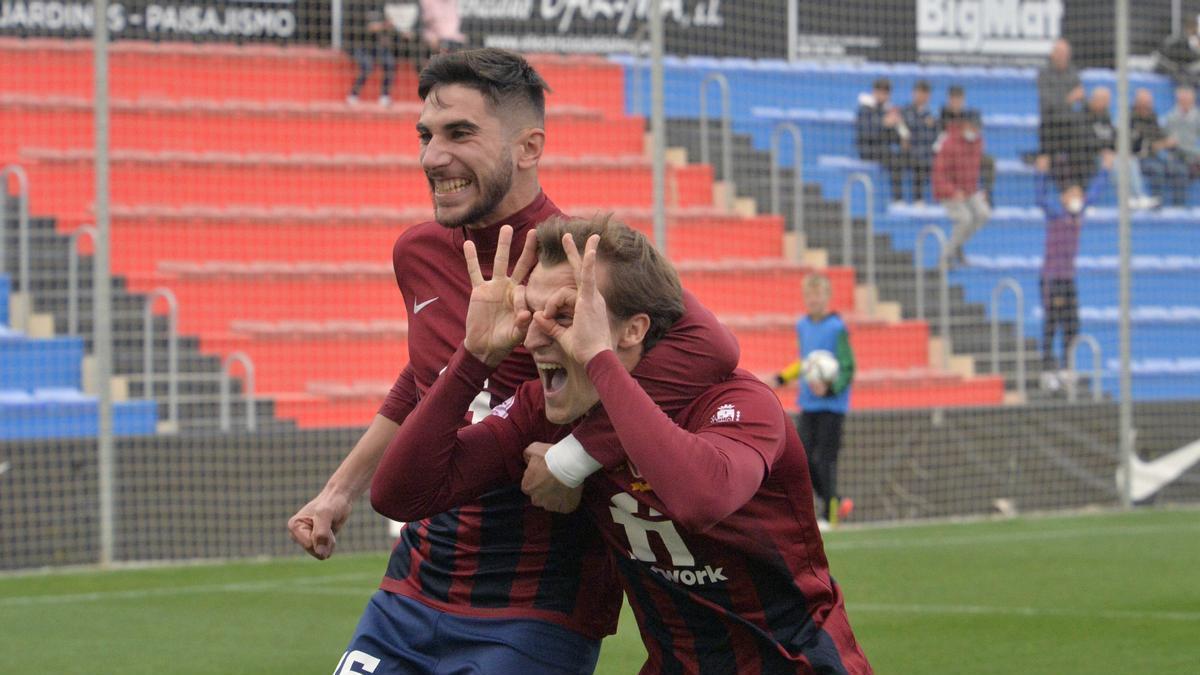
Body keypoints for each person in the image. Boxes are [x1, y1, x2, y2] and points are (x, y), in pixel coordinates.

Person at [288, 48, 741, 673]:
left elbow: (708, 350)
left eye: (460, 134)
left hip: (536, 609)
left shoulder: (581, 257)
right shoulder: (417, 253)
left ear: (528, 148)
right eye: (426, 135)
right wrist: (340, 489)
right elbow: (425, 379)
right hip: (412, 588)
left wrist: (575, 457)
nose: (432, 157)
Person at [371, 215, 873, 674]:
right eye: (531, 311)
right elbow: (400, 495)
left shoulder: (739, 404)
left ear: (634, 330)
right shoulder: (544, 411)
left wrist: (594, 373)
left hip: (798, 662)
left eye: (566, 314)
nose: (536, 335)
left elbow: (700, 497)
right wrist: (475, 356)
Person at [772, 273, 857, 528]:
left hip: (832, 406)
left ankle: (830, 517)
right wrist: (782, 378)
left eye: (818, 294)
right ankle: (837, 502)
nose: (814, 299)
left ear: (828, 298)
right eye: (809, 295)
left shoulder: (837, 328)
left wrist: (830, 390)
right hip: (808, 403)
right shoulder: (802, 326)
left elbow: (847, 366)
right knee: (804, 459)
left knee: (826, 460)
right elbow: (807, 361)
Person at [1034, 153, 1112, 392]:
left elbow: (1095, 193)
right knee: (1052, 323)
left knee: (1072, 324)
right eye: (1074, 194)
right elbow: (1040, 199)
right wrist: (1040, 173)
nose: (1078, 197)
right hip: (1051, 278)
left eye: (1080, 194)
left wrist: (1105, 169)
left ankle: (1067, 368)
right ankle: (1047, 370)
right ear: (1064, 198)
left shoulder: (1079, 216)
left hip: (1069, 278)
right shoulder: (1056, 216)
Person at [933, 111, 991, 267]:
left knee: (983, 213)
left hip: (969, 191)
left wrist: (981, 190)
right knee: (965, 219)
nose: (976, 131)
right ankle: (945, 257)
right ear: (965, 125)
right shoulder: (949, 143)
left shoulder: (978, 143)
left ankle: (956, 245)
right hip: (948, 191)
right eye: (973, 127)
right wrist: (952, 192)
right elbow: (938, 175)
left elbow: (978, 169)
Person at [1087, 87, 1157, 210]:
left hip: (1110, 153)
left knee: (1130, 160)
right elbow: (1083, 139)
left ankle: (1139, 196)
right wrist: (1102, 150)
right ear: (1095, 99)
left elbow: (1112, 137)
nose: (1107, 103)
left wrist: (1115, 150)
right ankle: (1125, 198)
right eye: (1104, 100)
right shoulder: (1084, 116)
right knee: (1115, 162)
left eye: (1108, 100)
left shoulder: (1106, 116)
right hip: (1090, 155)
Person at [1132, 88, 1190, 207]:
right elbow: (1136, 145)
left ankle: (1179, 207)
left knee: (1180, 170)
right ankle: (1157, 205)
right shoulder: (1130, 119)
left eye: (1149, 103)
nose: (1148, 106)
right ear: (1138, 103)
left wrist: (1168, 141)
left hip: (1156, 157)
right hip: (1139, 159)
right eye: (1145, 104)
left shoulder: (1152, 117)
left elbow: (1160, 137)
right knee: (1157, 170)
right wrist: (1157, 145)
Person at [855, 77, 908, 205]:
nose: (883, 96)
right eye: (880, 92)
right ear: (874, 92)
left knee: (908, 156)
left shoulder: (888, 110)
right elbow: (865, 133)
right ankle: (898, 199)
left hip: (883, 150)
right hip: (867, 150)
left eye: (886, 93)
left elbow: (891, 136)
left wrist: (901, 135)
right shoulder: (865, 109)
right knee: (894, 159)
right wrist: (883, 124)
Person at [940, 85, 995, 204]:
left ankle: (986, 195)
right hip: (951, 155)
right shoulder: (943, 115)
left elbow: (976, 134)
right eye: (953, 99)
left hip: (969, 153)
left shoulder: (970, 114)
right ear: (949, 99)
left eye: (959, 99)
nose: (956, 102)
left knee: (988, 161)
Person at [345, 0, 400, 107]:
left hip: (376, 47)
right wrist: (383, 25)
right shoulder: (357, 6)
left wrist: (386, 34)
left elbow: (387, 26)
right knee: (367, 65)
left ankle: (385, 96)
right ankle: (353, 95)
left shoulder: (380, 6)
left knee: (390, 63)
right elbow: (367, 28)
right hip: (359, 46)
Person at [1037, 38, 1082, 158]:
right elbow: (1048, 103)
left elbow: (1080, 97)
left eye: (1065, 55)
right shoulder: (1044, 74)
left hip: (1071, 126)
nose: (1063, 57)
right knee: (1046, 160)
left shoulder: (1073, 73)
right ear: (1053, 55)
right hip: (1051, 126)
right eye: (1060, 54)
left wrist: (1080, 97)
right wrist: (1068, 99)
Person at [901, 80, 939, 204]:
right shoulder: (906, 110)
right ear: (913, 93)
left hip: (927, 150)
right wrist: (923, 124)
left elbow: (934, 135)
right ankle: (918, 199)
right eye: (919, 93)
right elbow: (908, 130)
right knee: (919, 159)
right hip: (910, 151)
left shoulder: (933, 113)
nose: (922, 96)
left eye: (925, 94)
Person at [1165, 85, 1200, 174]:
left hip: (1193, 157)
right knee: (1180, 172)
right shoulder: (1171, 118)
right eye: (1183, 100)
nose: (1185, 103)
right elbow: (1170, 142)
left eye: (1188, 100)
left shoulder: (1197, 117)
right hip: (1176, 157)